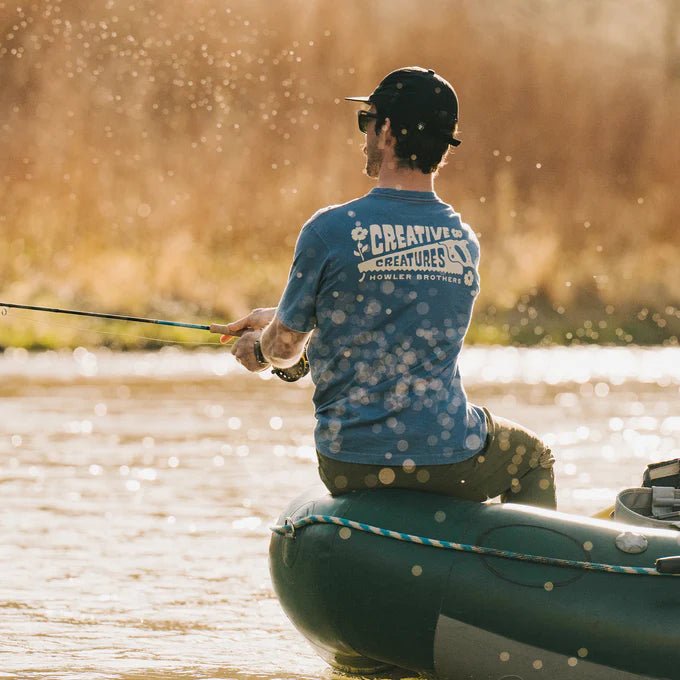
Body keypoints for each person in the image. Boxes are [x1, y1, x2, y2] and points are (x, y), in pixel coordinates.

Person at [226, 66, 556, 509]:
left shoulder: (329, 230)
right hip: (447, 457)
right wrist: (283, 321)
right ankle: (521, 569)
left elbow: (287, 349)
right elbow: (397, 321)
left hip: (349, 461)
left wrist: (262, 350)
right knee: (532, 458)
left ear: (385, 131)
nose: (363, 134)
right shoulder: (464, 242)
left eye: (367, 121)